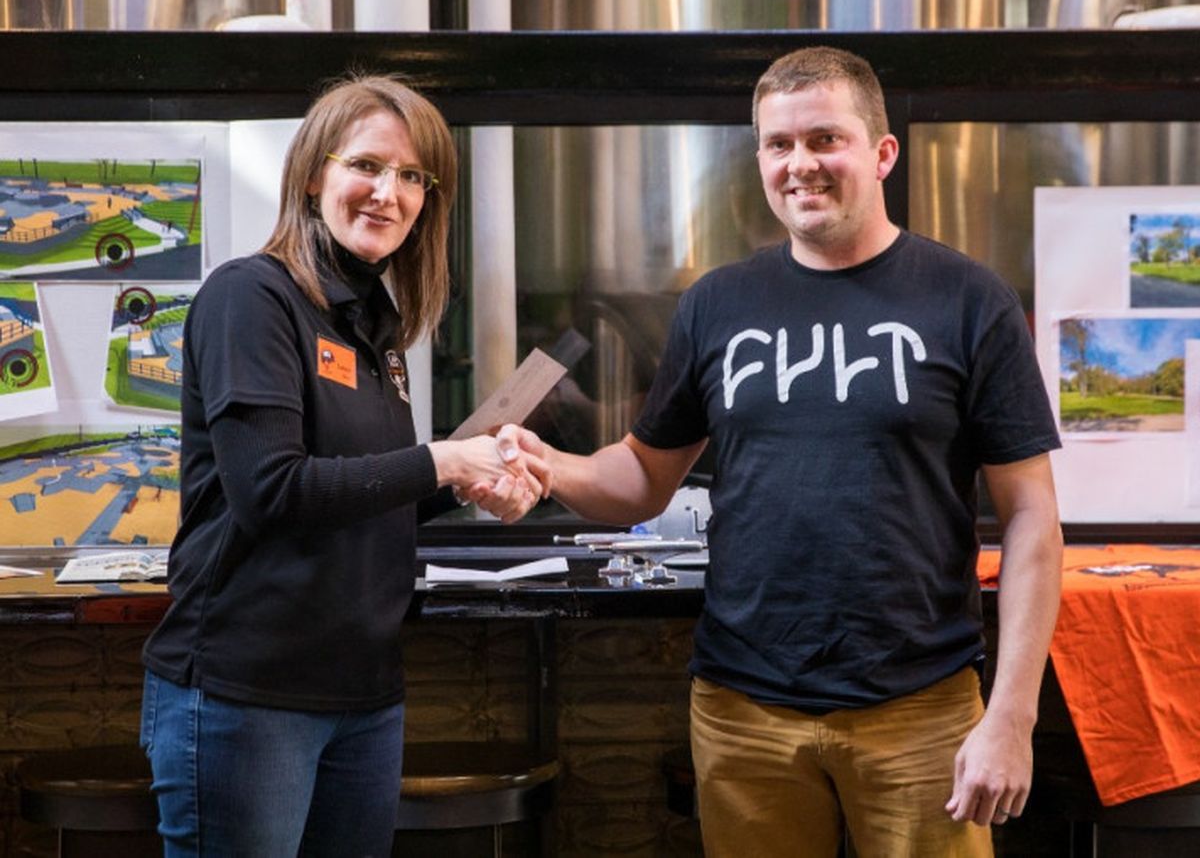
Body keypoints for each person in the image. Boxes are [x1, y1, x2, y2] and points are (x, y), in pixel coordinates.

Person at [491, 47, 1063, 856]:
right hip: (743, 711)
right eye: (779, 144)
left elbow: (1033, 518)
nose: (801, 165)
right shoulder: (717, 304)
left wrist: (1011, 716)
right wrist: (548, 464)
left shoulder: (969, 300)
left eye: (825, 139)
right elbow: (645, 476)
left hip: (921, 707)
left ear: (882, 153)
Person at [140, 74, 545, 856]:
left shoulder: (376, 327)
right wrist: (441, 459)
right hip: (247, 694)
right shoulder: (251, 297)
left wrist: (470, 482)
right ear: (312, 174)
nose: (388, 193)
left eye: (412, 176)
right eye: (366, 165)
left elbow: (366, 491)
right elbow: (272, 490)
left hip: (363, 693)